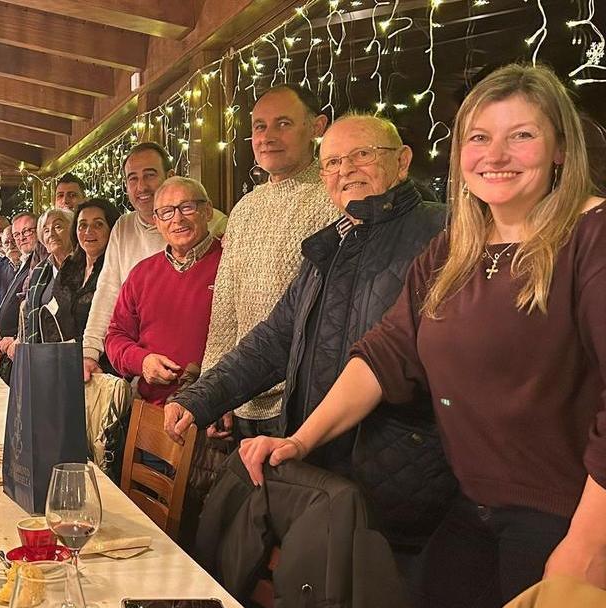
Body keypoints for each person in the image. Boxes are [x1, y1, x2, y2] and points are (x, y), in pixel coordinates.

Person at [237, 65, 606, 608]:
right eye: (480, 138)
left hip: (566, 519)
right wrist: (300, 438)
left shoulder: (590, 236)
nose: (497, 155)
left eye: (522, 136)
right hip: (472, 509)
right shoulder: (455, 247)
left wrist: (589, 545)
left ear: (560, 147)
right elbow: (385, 355)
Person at [164, 114, 454, 551]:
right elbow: (275, 339)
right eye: (333, 162)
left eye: (362, 154)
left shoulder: (443, 232)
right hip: (322, 464)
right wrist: (202, 397)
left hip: (400, 472)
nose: (346, 170)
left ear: (403, 161)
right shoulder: (330, 244)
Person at [198, 84, 340, 443]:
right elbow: (225, 305)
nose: (267, 136)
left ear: (317, 127)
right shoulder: (245, 208)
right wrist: (214, 390)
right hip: (243, 393)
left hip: (303, 399)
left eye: (283, 124)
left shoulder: (335, 199)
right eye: (260, 126)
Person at [79, 142, 227, 382]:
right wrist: (90, 353)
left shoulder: (218, 227)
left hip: (209, 387)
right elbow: (107, 293)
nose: (141, 187)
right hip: (146, 380)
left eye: (149, 175)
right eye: (132, 179)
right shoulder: (127, 234)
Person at [104, 177, 223, 404]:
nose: (177, 219)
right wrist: (142, 361)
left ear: (207, 211)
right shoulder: (141, 274)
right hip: (153, 410)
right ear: (157, 222)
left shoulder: (228, 262)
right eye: (167, 212)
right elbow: (115, 337)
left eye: (187, 207)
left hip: (216, 408)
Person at [45, 199, 119, 368]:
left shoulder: (116, 271)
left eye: (98, 225)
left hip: (102, 366)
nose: (88, 231)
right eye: (82, 225)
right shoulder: (69, 266)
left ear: (112, 229)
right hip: (63, 360)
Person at [12, 207, 74, 352]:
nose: (51, 234)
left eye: (58, 226)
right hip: (41, 355)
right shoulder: (39, 271)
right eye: (46, 230)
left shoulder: (84, 266)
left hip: (74, 354)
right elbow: (28, 313)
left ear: (73, 231)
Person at [0, 212, 43, 361]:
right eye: (17, 234)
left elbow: (35, 306)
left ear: (39, 230)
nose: (21, 238)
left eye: (27, 231)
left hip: (26, 347)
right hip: (10, 346)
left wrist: (17, 336)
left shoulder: (41, 261)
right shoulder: (24, 261)